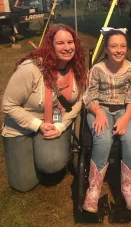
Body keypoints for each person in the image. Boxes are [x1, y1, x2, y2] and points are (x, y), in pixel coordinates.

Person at [1, 24, 86, 192]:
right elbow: (8, 104)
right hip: (21, 125)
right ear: (50, 45)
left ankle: (55, 146)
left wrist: (61, 126)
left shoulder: (77, 67)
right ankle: (30, 149)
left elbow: (81, 100)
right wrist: (37, 125)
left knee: (51, 164)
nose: (67, 47)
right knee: (23, 184)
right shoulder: (31, 69)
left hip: (54, 122)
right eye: (60, 43)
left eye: (70, 42)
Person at [82, 27, 131, 213]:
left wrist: (125, 118)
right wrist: (98, 112)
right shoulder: (97, 70)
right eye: (114, 46)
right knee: (103, 137)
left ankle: (127, 188)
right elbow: (89, 96)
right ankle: (93, 190)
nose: (119, 50)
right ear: (106, 49)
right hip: (100, 108)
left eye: (123, 46)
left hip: (126, 109)